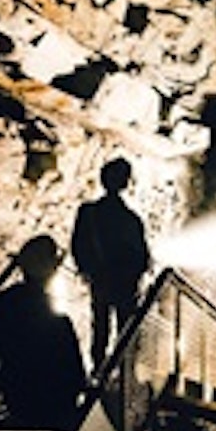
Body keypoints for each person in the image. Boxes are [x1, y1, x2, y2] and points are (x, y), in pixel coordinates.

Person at [0, 235, 87, 431]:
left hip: (17, 391)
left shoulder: (2, 304)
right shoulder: (55, 320)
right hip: (52, 398)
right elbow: (71, 366)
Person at [70, 157, 150, 376]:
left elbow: (78, 245)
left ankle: (99, 373)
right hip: (125, 283)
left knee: (101, 329)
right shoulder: (131, 219)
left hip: (102, 279)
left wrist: (88, 271)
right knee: (126, 331)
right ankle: (125, 375)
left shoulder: (89, 213)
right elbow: (142, 256)